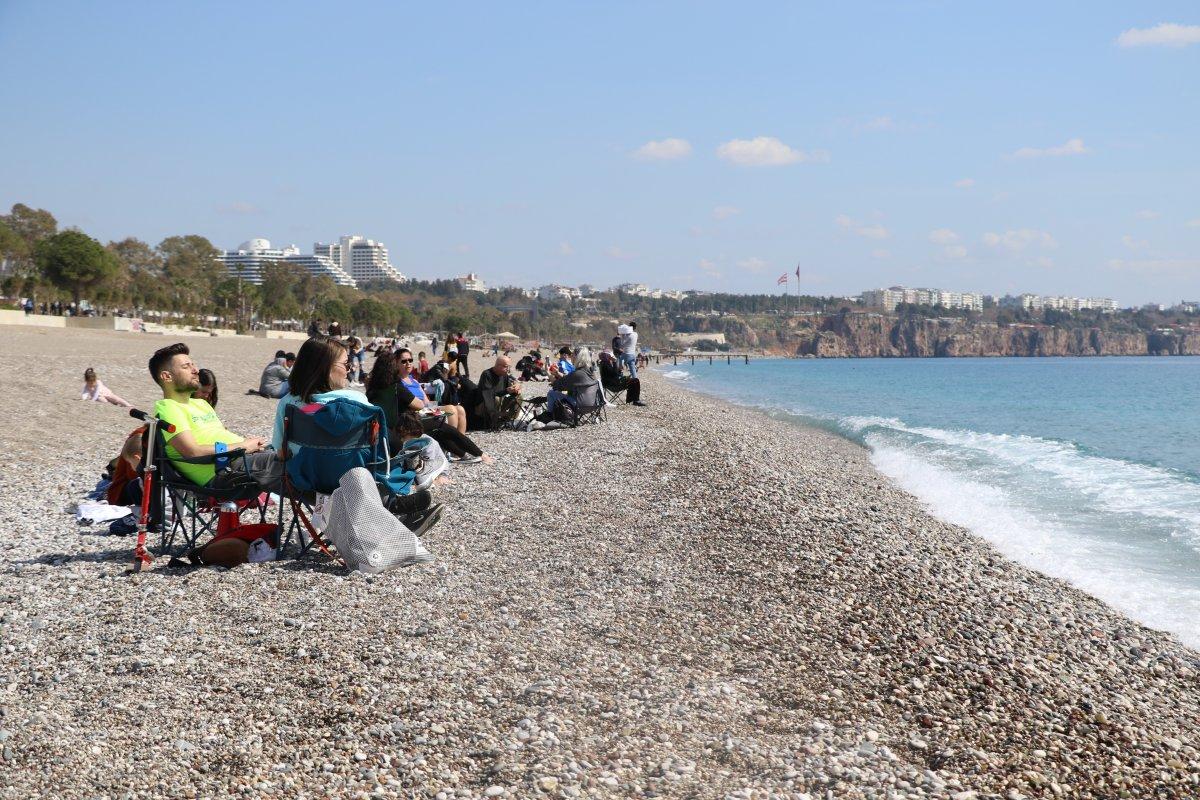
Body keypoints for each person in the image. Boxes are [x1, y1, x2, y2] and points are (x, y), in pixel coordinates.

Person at [274, 337, 441, 529]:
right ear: (325, 367)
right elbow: (380, 454)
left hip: (305, 483)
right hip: (354, 485)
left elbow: (282, 453)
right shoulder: (356, 401)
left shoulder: (288, 403)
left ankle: (391, 511)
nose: (350, 369)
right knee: (395, 461)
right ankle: (391, 507)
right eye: (346, 364)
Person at [365, 350, 491, 463]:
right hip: (404, 426)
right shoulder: (397, 387)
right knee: (442, 427)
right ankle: (478, 453)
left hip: (386, 430)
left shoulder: (372, 389)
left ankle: (463, 454)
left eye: (410, 360)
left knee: (439, 429)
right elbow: (419, 404)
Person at [394, 348, 469, 435]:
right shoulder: (398, 383)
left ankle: (461, 439)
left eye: (410, 360)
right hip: (415, 413)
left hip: (425, 409)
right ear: (396, 363)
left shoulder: (414, 381)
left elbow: (427, 402)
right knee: (451, 409)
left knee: (460, 409)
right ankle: (451, 440)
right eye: (404, 361)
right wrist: (442, 408)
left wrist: (439, 406)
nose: (408, 363)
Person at [466, 355, 523, 431]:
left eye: (509, 367)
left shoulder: (504, 375)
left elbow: (510, 388)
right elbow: (488, 395)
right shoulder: (487, 374)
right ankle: (493, 421)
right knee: (496, 399)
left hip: (498, 404)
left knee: (519, 397)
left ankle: (507, 420)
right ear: (498, 365)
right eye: (506, 367)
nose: (508, 369)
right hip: (483, 405)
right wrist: (507, 391)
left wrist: (516, 389)